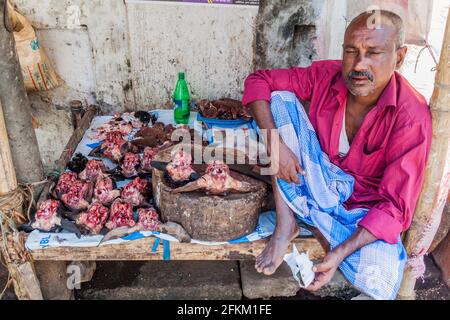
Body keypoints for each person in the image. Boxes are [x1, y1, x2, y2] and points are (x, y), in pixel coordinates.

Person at [242, 10, 432, 299]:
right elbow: (259, 80)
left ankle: (323, 228)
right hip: (316, 179)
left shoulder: (412, 116)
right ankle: (286, 223)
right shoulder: (326, 75)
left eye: (374, 53)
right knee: (280, 99)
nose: (359, 64)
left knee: (380, 276)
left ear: (400, 57)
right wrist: (274, 143)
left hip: (359, 211)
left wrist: (339, 254)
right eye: (351, 51)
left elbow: (395, 207)